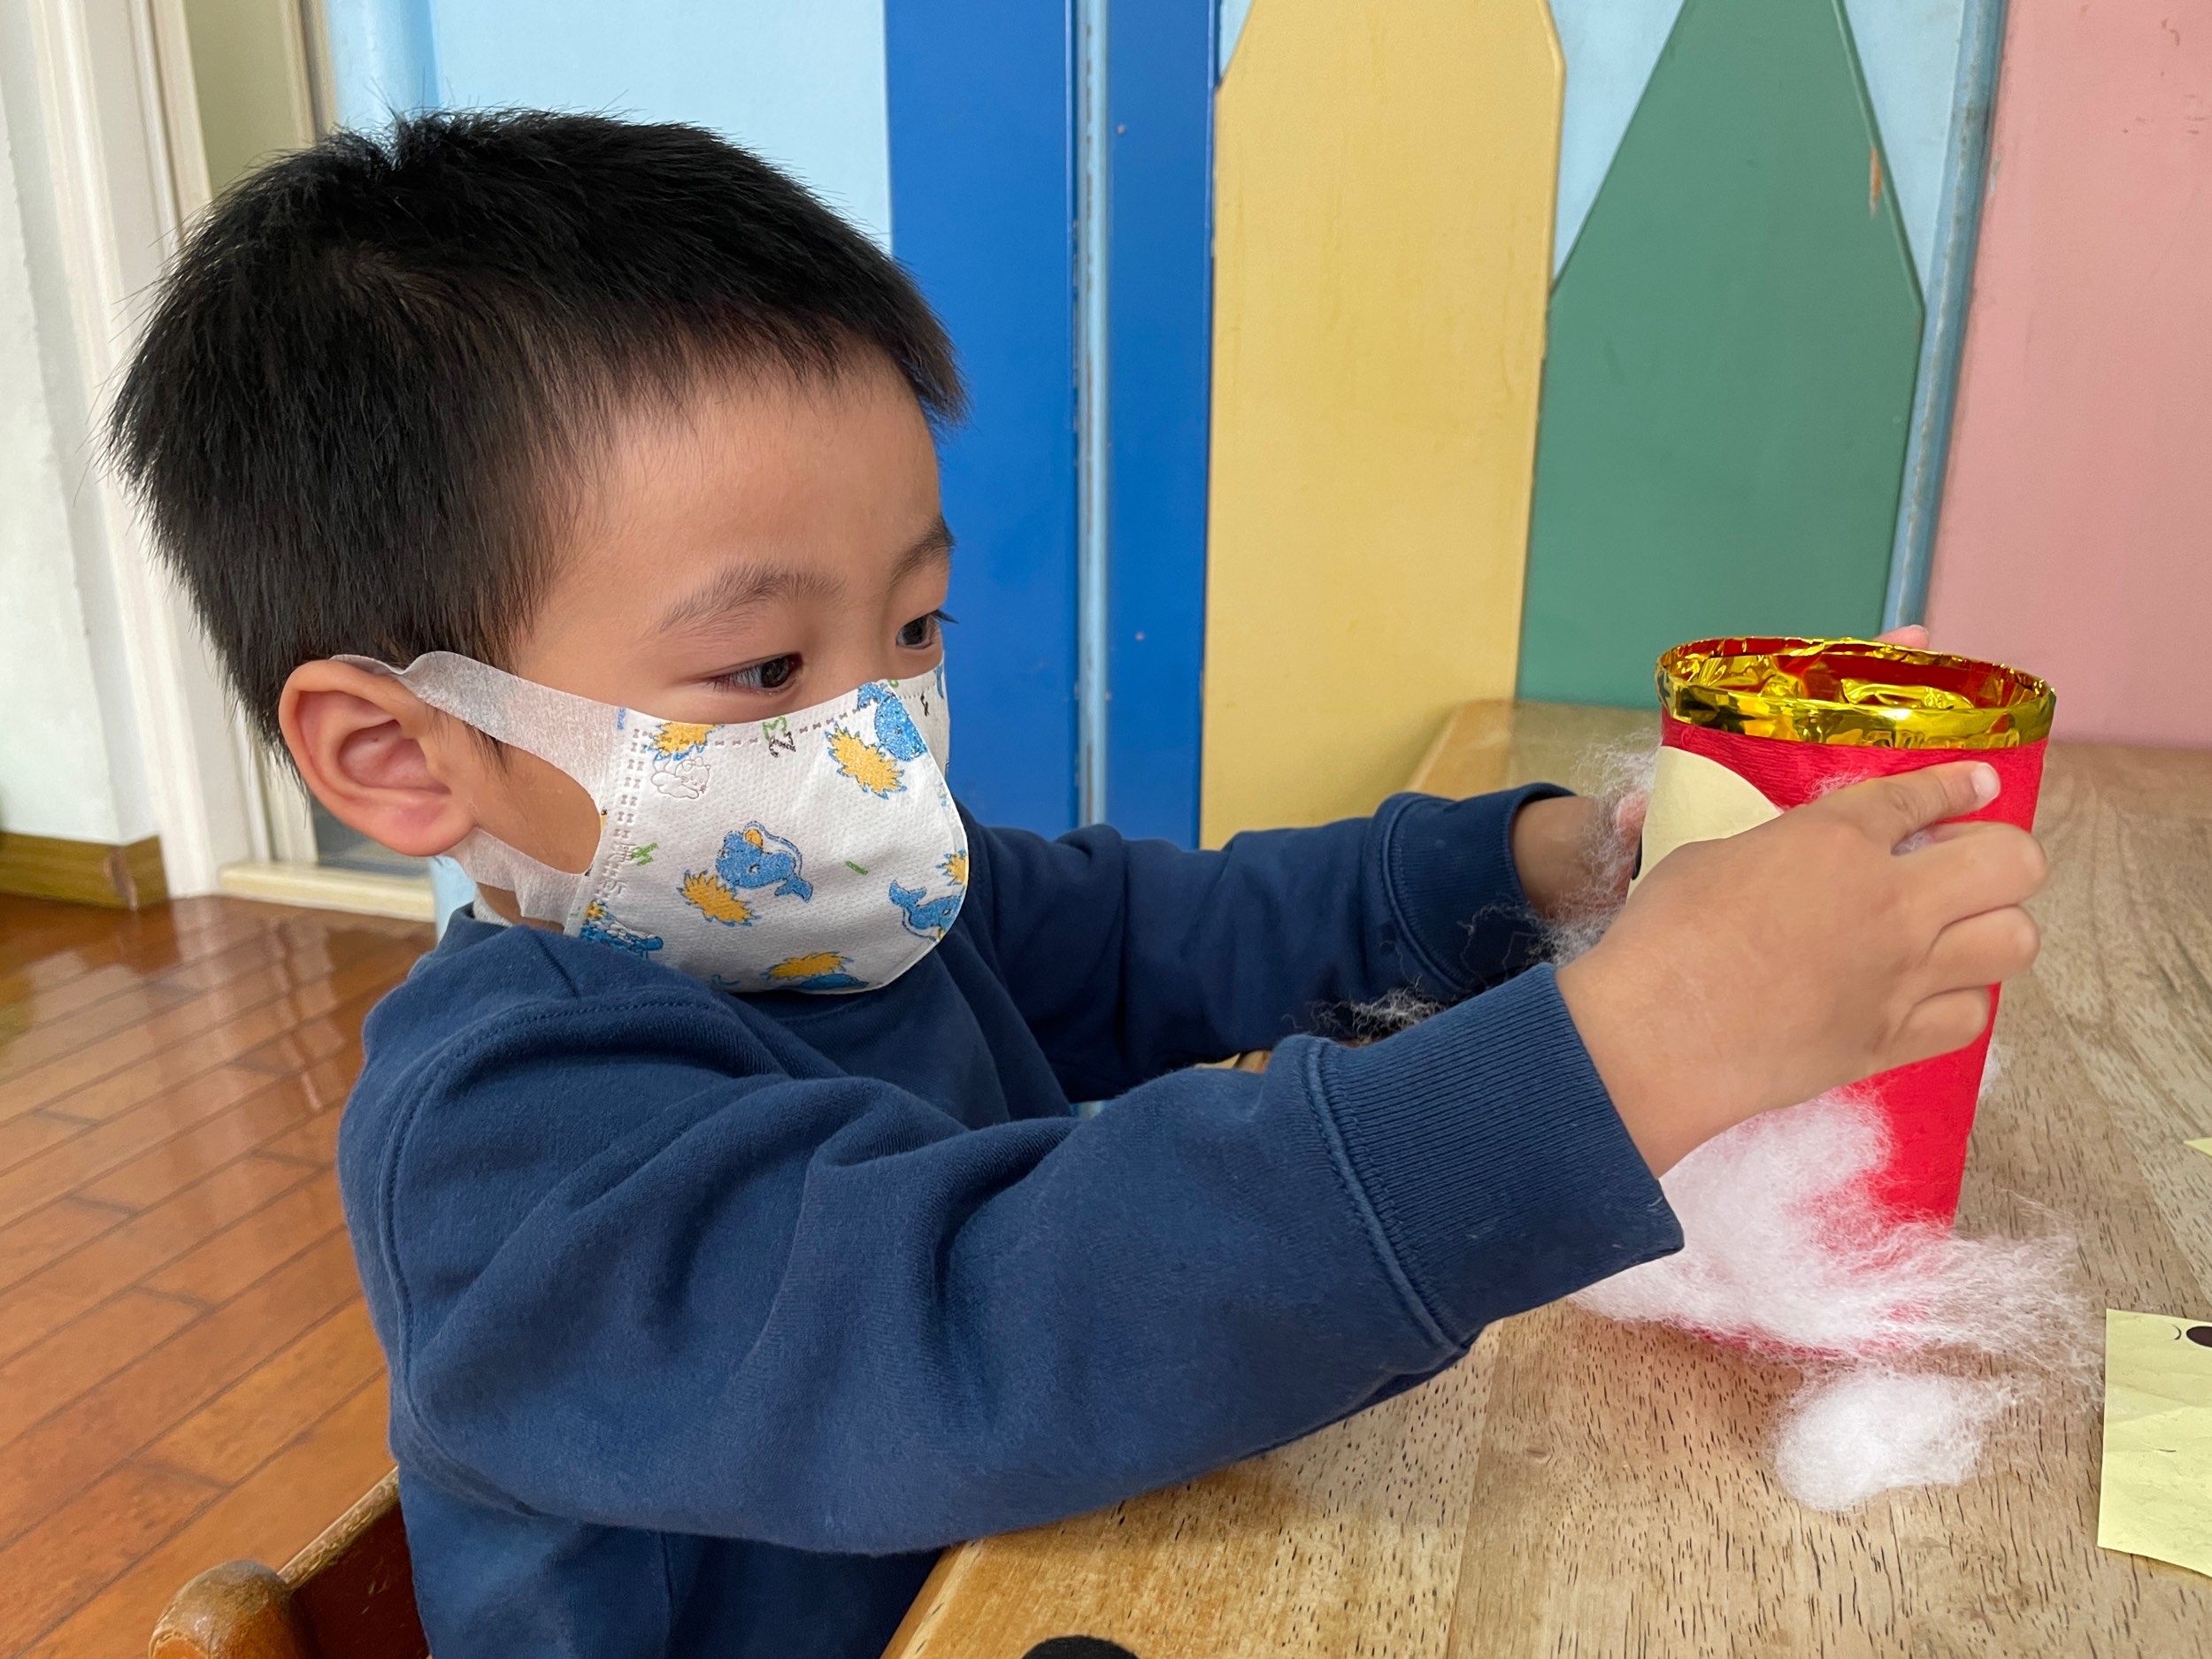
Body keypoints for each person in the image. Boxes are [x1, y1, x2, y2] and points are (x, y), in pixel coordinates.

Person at [109, 112, 2047, 1659]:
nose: (877, 734)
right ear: (400, 753)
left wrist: (1522, 862)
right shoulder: (504, 1148)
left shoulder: (842, 914)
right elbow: (985, 1319)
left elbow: (1162, 932)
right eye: (766, 668)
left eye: (913, 627)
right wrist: (1636, 1046)